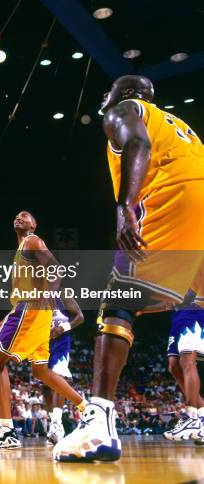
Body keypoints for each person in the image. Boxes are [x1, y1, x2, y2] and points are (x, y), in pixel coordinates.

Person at [54, 75, 204, 461]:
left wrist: (125, 208)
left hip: (177, 195)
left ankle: (99, 423)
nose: (105, 99)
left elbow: (138, 142)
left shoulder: (125, 110)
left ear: (119, 95)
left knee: (117, 300)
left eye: (107, 93)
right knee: (176, 301)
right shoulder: (179, 125)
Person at [0, 211, 88, 451]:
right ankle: (87, 409)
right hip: (31, 310)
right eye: (16, 216)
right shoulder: (21, 248)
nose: (19, 218)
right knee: (41, 372)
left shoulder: (32, 240)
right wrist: (8, 316)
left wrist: (46, 296)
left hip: (32, 308)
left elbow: (56, 270)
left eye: (25, 216)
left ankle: (6, 431)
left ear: (34, 224)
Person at [44, 296, 84, 445]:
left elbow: (80, 317)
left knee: (57, 378)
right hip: (42, 341)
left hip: (60, 342)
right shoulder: (36, 293)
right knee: (45, 386)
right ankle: (54, 423)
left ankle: (57, 425)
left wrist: (62, 328)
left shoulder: (63, 294)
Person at [163, 306, 204, 443]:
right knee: (174, 367)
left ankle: (191, 416)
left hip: (195, 311)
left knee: (188, 361)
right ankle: (202, 417)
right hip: (178, 315)